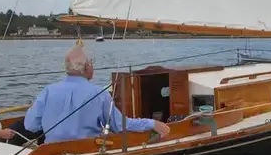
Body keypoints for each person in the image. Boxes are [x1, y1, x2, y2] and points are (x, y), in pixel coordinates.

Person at [24, 45, 170, 144]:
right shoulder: (98, 93)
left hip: (49, 154)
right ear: (87, 66)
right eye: (91, 62)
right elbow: (119, 126)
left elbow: (30, 125)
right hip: (85, 152)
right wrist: (152, 123)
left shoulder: (48, 91)